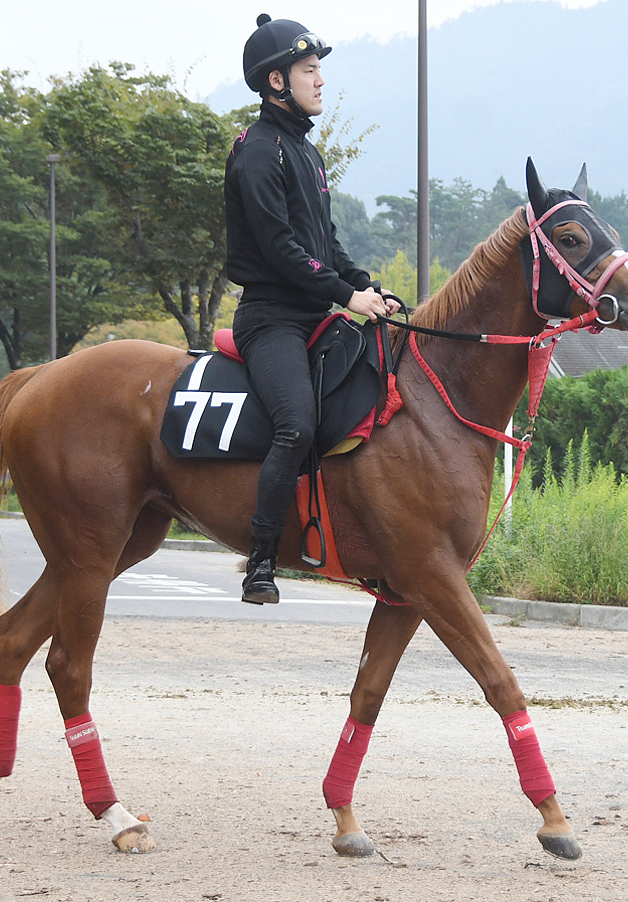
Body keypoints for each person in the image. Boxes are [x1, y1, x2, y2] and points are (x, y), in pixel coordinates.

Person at [226, 13, 399, 606]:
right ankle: (261, 559)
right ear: (277, 82)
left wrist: (366, 286)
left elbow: (326, 244)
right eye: (309, 70)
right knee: (296, 422)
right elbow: (279, 250)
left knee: (378, 383)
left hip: (316, 314)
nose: (320, 81)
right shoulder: (256, 152)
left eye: (319, 69)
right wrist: (345, 296)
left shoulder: (307, 152)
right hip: (270, 318)